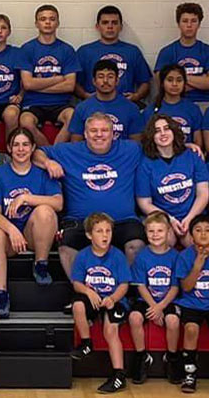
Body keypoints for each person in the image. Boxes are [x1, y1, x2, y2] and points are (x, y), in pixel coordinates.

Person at [37, 112, 148, 277]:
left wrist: (184, 148)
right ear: (85, 133)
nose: (99, 135)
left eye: (104, 130)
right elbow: (36, 152)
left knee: (136, 244)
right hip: (80, 220)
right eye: (94, 131)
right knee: (67, 245)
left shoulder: (131, 149)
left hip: (123, 220)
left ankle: (125, 289)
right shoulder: (68, 151)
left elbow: (157, 150)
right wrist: (48, 162)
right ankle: (80, 289)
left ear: (113, 133)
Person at [0, 127, 64, 307]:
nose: (21, 149)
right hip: (10, 238)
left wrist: (25, 198)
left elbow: (58, 203)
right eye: (16, 145)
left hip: (34, 234)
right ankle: (0, 294)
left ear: (33, 147)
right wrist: (11, 230)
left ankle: (41, 265)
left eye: (26, 145)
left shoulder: (42, 173)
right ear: (9, 148)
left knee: (45, 211)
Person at [67, 214, 133, 393]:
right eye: (99, 231)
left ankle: (119, 374)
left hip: (114, 299)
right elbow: (77, 283)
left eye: (108, 231)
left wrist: (112, 299)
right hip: (93, 299)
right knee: (78, 305)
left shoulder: (117, 256)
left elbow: (124, 284)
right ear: (89, 235)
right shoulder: (83, 256)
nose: (105, 235)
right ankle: (86, 343)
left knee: (110, 330)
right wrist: (89, 292)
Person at [171, 216, 209, 395]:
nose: (203, 234)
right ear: (191, 236)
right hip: (191, 304)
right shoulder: (184, 256)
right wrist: (197, 266)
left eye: (208, 230)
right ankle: (189, 374)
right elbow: (186, 287)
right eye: (198, 230)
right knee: (191, 329)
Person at [127, 212, 183, 382]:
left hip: (168, 300)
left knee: (173, 321)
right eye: (151, 231)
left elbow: (175, 287)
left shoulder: (175, 257)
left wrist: (161, 307)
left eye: (160, 231)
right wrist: (154, 307)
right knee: (134, 317)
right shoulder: (142, 256)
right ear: (146, 233)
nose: (155, 235)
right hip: (147, 300)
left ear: (168, 232)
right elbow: (141, 285)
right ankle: (141, 356)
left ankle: (171, 357)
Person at [135, 115, 209, 242]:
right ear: (151, 136)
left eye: (166, 128)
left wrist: (189, 218)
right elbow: (144, 203)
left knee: (195, 241)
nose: (163, 133)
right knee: (165, 239)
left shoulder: (192, 156)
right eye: (157, 131)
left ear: (174, 131)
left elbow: (203, 194)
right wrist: (170, 219)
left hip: (193, 215)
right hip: (163, 218)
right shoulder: (145, 164)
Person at [17, 4, 79, 140]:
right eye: (43, 19)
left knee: (73, 117)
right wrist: (57, 79)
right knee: (25, 122)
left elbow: (70, 86)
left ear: (58, 23)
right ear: (36, 24)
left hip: (61, 103)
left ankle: (56, 150)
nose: (47, 22)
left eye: (52, 19)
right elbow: (27, 84)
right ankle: (46, 150)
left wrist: (36, 85)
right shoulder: (27, 49)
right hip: (33, 103)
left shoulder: (67, 50)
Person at [76, 6, 151, 104]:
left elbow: (145, 82)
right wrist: (85, 95)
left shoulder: (133, 51)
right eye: (105, 23)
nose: (110, 27)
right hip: (94, 105)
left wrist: (136, 96)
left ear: (121, 27)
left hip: (125, 104)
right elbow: (75, 83)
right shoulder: (84, 52)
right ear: (97, 27)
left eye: (114, 23)